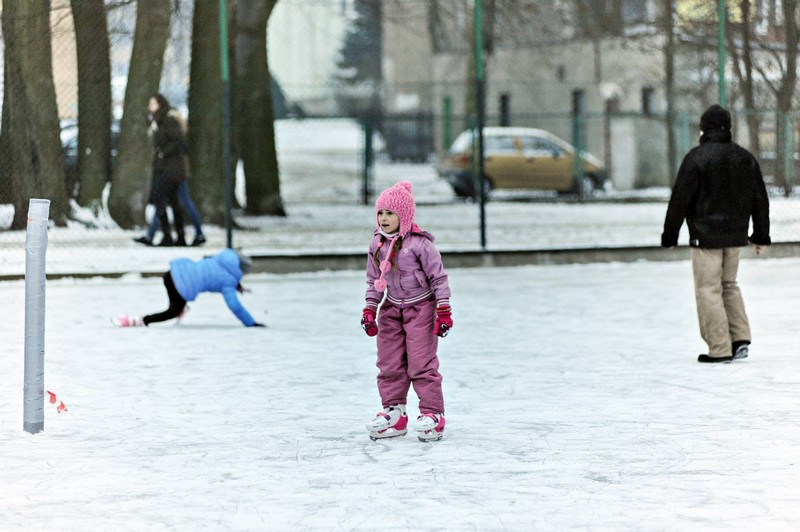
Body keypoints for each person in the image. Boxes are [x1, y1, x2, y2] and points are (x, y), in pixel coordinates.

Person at [661, 104, 771, 363]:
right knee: (729, 285)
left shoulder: (696, 158)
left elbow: (680, 199)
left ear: (703, 129)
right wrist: (760, 236)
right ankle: (740, 338)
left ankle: (720, 348)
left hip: (705, 238)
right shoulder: (745, 158)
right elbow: (760, 199)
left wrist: (670, 235)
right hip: (735, 237)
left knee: (708, 289)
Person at [361, 181, 452, 442]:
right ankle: (394, 412)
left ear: (404, 215)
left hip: (421, 308)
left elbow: (439, 278)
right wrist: (370, 308)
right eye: (380, 213)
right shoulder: (376, 244)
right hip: (391, 309)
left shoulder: (420, 245)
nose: (384, 218)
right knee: (389, 362)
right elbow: (373, 280)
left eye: (390, 213)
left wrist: (443, 310)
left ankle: (433, 413)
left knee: (421, 363)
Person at [112, 248, 264, 328]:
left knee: (179, 302)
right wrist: (251, 323)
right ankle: (141, 320)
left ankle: (181, 307)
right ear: (241, 270)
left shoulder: (220, 260)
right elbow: (235, 306)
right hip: (180, 285)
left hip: (172, 273)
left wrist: (237, 285)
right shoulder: (228, 280)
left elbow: (215, 275)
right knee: (173, 311)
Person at [134, 94, 187, 247]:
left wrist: (163, 153)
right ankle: (176, 236)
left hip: (170, 169)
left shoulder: (167, 120)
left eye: (153, 103)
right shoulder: (157, 121)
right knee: (172, 201)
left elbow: (178, 141)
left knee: (160, 198)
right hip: (164, 168)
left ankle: (170, 235)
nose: (150, 106)